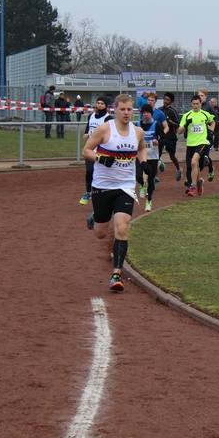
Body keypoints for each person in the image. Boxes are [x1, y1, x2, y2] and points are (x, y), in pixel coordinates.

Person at [82, 94, 147, 292]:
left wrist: (144, 163)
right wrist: (101, 158)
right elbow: (86, 151)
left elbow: (141, 149)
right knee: (101, 234)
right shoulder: (105, 129)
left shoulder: (137, 131)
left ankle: (116, 275)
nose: (126, 113)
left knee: (122, 227)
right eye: (122, 109)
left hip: (125, 187)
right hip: (102, 186)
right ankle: (95, 216)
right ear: (115, 110)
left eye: (129, 109)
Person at [177, 95, 216, 196]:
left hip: (202, 142)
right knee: (195, 165)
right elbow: (179, 131)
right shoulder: (187, 115)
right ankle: (198, 182)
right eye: (194, 104)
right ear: (191, 104)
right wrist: (186, 125)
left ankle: (192, 187)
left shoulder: (205, 114)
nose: (195, 106)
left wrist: (211, 132)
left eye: (197, 104)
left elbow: (213, 122)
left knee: (194, 162)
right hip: (190, 144)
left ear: (200, 104)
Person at [79, 96, 114, 205]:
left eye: (102, 103)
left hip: (102, 150)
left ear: (106, 106)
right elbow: (88, 127)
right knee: (89, 171)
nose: (99, 105)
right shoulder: (91, 116)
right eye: (98, 103)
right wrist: (86, 134)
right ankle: (88, 192)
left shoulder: (108, 119)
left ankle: (103, 194)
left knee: (101, 173)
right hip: (90, 149)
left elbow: (111, 133)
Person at [137, 103, 167, 211]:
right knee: (138, 175)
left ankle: (149, 201)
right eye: (144, 112)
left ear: (151, 113)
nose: (146, 114)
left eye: (148, 112)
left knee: (151, 179)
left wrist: (158, 141)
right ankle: (142, 184)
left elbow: (165, 139)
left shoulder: (156, 125)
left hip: (153, 156)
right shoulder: (137, 125)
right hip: (140, 156)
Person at [159, 92, 182, 181]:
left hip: (170, 137)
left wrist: (169, 122)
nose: (166, 101)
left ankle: (178, 169)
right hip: (161, 136)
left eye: (168, 100)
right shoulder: (159, 110)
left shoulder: (173, 111)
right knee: (157, 156)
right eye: (165, 99)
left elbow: (178, 124)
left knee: (172, 156)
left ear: (171, 102)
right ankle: (155, 176)